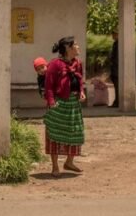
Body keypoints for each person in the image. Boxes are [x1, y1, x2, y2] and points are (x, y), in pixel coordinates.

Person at [43, 36, 86, 177]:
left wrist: (81, 92)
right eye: (76, 45)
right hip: (59, 103)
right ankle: (55, 166)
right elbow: (48, 86)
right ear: (68, 48)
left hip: (73, 103)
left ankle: (69, 162)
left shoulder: (78, 63)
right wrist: (51, 102)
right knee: (55, 133)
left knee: (75, 132)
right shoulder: (55, 64)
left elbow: (80, 80)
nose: (78, 47)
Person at [109, 30, 119, 108]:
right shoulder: (115, 43)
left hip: (117, 69)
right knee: (116, 86)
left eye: (114, 34)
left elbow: (116, 58)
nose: (113, 36)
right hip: (114, 68)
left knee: (117, 86)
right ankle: (117, 101)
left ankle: (117, 102)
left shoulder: (119, 44)